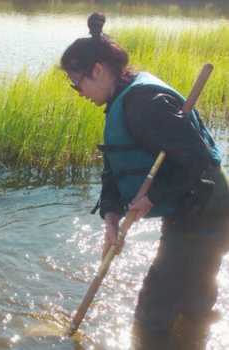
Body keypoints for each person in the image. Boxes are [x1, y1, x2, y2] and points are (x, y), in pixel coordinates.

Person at [60, 12, 229, 345]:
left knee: (154, 311)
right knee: (190, 298)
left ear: (97, 70)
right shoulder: (121, 100)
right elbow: (114, 168)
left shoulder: (145, 104)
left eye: (75, 81)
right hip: (188, 207)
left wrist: (153, 197)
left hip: (206, 210)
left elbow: (199, 161)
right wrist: (111, 219)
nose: (76, 90)